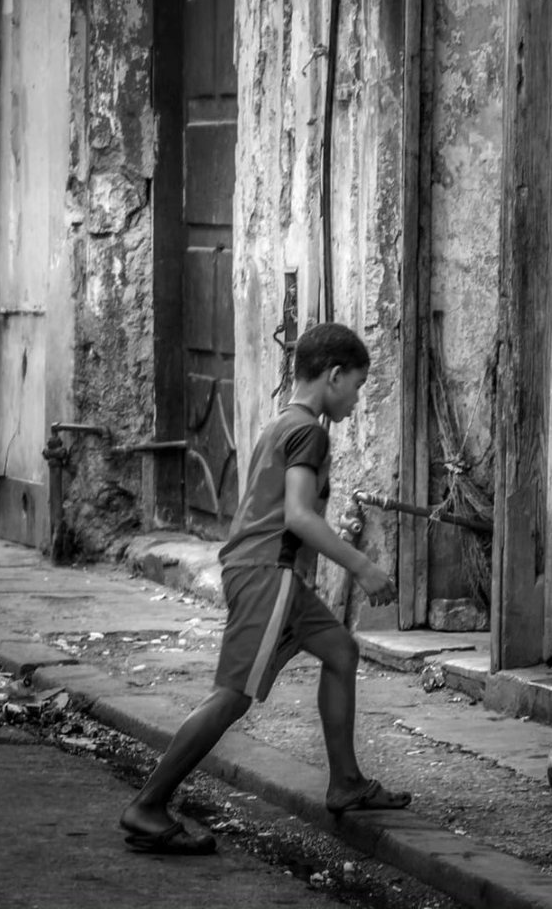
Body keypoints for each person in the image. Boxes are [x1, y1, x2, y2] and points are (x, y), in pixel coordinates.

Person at [120, 322, 410, 855]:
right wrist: (362, 567)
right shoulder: (310, 432)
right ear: (335, 375)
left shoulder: (284, 422)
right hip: (265, 574)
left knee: (341, 651)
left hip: (273, 574)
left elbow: (284, 510)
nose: (358, 398)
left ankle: (345, 782)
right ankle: (148, 805)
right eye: (359, 386)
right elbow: (298, 517)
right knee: (231, 697)